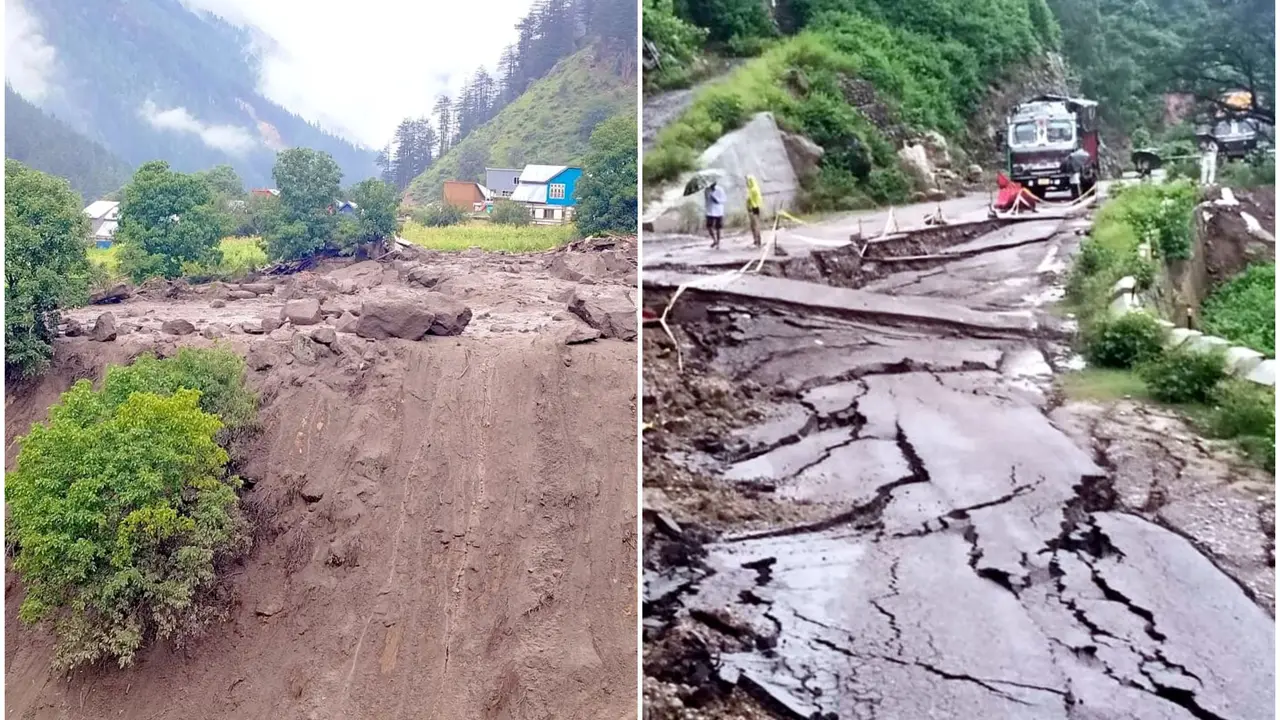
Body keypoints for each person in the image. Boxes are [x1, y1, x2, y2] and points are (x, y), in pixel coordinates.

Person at [704, 180, 726, 248]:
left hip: (718, 210)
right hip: (710, 211)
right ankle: (714, 240)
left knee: (718, 227)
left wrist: (717, 200)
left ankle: (718, 242)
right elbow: (706, 199)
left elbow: (724, 199)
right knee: (709, 226)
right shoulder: (706, 190)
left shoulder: (720, 189)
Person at [746, 175, 763, 247]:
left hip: (753, 208)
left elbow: (749, 199)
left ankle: (757, 241)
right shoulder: (756, 188)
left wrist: (749, 206)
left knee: (754, 226)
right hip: (756, 208)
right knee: (755, 225)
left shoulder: (752, 190)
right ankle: (757, 241)